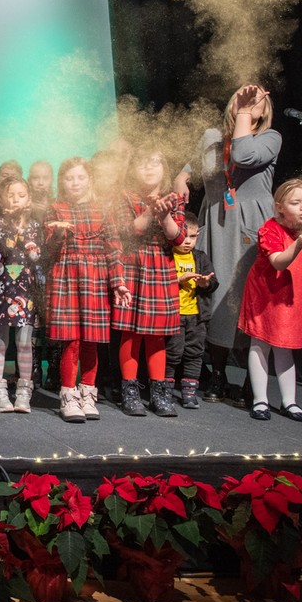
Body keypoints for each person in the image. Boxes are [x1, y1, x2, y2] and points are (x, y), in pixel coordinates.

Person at [174, 83, 280, 403]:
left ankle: (251, 379)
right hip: (216, 224)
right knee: (214, 297)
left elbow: (243, 155)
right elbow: (196, 164)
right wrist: (181, 176)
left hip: (251, 227)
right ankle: (218, 374)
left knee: (248, 300)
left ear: (264, 110)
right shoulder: (211, 137)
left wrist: (245, 115)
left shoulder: (269, 138)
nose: (247, 103)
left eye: (255, 100)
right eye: (242, 98)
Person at [45, 157, 130, 423]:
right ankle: (68, 395)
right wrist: (57, 233)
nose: (75, 183)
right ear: (62, 182)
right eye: (69, 178)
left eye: (81, 177)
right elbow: (48, 250)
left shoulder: (103, 210)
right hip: (67, 279)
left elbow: (114, 249)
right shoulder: (55, 209)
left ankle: (88, 394)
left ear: (90, 180)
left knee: (91, 341)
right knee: (71, 341)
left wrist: (118, 282)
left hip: (94, 280)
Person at [238, 179, 302, 422]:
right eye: (296, 203)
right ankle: (260, 400)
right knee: (260, 344)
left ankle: (289, 402)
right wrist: (298, 244)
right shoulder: (270, 229)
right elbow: (278, 263)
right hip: (267, 295)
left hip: (293, 296)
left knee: (285, 346)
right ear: (279, 207)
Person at [112, 147, 187, 418]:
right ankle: (130, 391)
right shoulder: (124, 196)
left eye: (155, 162)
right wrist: (149, 211)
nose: (149, 167)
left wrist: (164, 215)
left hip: (160, 267)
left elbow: (179, 238)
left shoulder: (175, 198)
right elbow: (127, 231)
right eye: (143, 163)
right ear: (133, 169)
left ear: (164, 169)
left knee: (157, 334)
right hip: (133, 264)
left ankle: (159, 392)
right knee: (130, 332)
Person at [0, 176, 43, 414]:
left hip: (25, 291)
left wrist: (25, 233)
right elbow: (6, 248)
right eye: (10, 195)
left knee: (24, 343)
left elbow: (35, 256)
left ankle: (23, 391)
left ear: (28, 199)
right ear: (2, 199)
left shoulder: (34, 225)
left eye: (21, 195)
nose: (16, 200)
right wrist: (14, 227)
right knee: (0, 342)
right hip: (2, 289)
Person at [166, 212, 218, 409]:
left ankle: (189, 392)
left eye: (193, 236)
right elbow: (158, 283)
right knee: (172, 353)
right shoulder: (167, 255)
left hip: (196, 316)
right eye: (184, 236)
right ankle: (165, 389)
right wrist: (177, 280)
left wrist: (205, 283)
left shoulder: (200, 258)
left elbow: (213, 283)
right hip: (173, 315)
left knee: (195, 353)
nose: (187, 241)